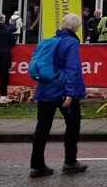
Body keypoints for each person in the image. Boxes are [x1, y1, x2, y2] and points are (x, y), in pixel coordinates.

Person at [29, 13, 87, 177]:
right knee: (73, 124)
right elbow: (72, 68)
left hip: (45, 88)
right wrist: (70, 92)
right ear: (76, 28)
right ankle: (70, 161)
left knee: (43, 126)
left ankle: (37, 164)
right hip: (62, 90)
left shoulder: (50, 40)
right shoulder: (72, 43)